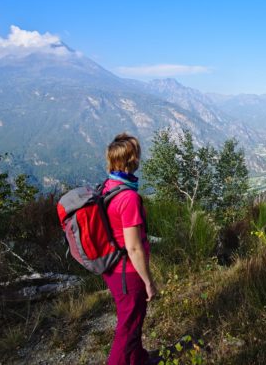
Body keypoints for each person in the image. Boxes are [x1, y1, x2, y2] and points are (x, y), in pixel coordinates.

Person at [102, 132, 157, 365]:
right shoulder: (129, 198)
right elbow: (134, 248)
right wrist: (148, 281)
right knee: (128, 327)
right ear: (132, 161)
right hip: (128, 272)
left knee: (133, 321)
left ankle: (139, 359)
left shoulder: (109, 186)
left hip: (113, 267)